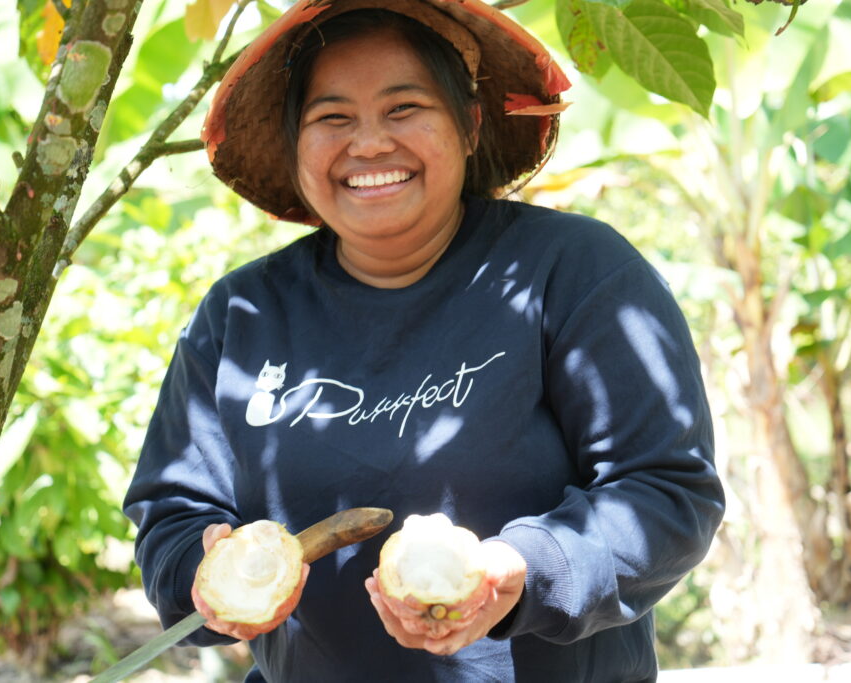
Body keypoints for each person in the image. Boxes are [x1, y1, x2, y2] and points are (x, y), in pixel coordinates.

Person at [123, 0, 725, 680]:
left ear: (469, 124)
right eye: (332, 118)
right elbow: (173, 514)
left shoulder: (573, 272)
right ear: (295, 145)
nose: (370, 143)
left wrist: (523, 569)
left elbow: (667, 489)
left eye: (404, 108)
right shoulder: (242, 314)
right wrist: (203, 572)